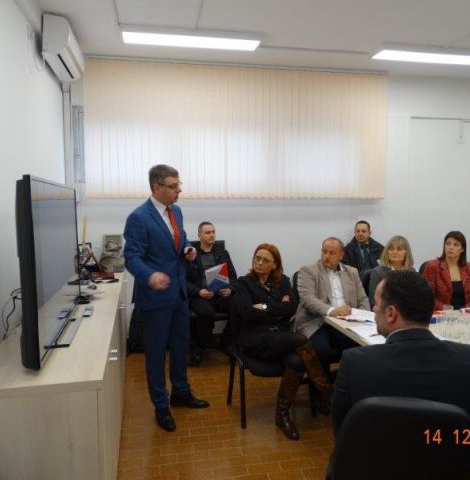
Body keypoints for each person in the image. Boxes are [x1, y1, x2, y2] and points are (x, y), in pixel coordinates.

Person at [328, 271, 470, 477]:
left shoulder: (354, 363)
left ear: (391, 313)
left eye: (376, 304)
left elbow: (343, 432)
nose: (374, 309)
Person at [123, 164, 209, 433]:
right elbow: (131, 257)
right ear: (156, 187)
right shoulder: (138, 217)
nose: (179, 190)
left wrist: (187, 249)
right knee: (156, 354)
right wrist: (149, 276)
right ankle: (161, 405)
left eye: (179, 184)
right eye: (173, 186)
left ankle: (180, 392)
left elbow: (180, 240)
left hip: (179, 292)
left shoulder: (176, 211)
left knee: (181, 346)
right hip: (155, 297)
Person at [231, 243, 332, 440]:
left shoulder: (283, 281)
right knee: (300, 340)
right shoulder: (243, 283)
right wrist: (277, 308)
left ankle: (282, 414)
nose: (259, 262)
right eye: (257, 258)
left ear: (274, 265)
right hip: (255, 341)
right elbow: (246, 313)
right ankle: (326, 392)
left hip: (280, 338)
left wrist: (264, 307)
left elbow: (292, 308)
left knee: (296, 361)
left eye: (265, 260)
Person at [292, 237, 368, 361]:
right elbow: (307, 299)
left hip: (346, 322)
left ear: (341, 255)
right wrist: (331, 311)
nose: (326, 256)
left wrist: (361, 318)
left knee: (363, 344)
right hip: (316, 322)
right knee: (323, 351)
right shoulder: (308, 271)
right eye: (324, 251)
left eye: (332, 253)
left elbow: (363, 299)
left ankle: (348, 371)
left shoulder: (352, 272)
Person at [185, 221, 237, 366]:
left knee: (238, 305)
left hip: (220, 293)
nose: (212, 235)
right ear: (199, 235)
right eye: (208, 232)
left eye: (213, 232)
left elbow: (233, 277)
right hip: (200, 295)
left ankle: (226, 341)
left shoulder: (222, 253)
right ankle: (199, 346)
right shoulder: (191, 254)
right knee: (207, 312)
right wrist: (198, 291)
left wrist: (230, 289)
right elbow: (183, 281)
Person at [421, 230, 470, 310]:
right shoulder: (432, 267)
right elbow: (425, 296)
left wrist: (465, 310)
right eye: (448, 244)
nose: (451, 247)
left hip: (465, 314)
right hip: (441, 313)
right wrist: (444, 307)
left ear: (462, 249)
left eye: (456, 245)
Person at [366, 235, 415, 306]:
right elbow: (374, 301)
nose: (394, 252)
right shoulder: (378, 272)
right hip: (385, 310)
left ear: (406, 253)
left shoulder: (412, 271)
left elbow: (415, 297)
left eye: (399, 249)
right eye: (391, 249)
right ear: (387, 251)